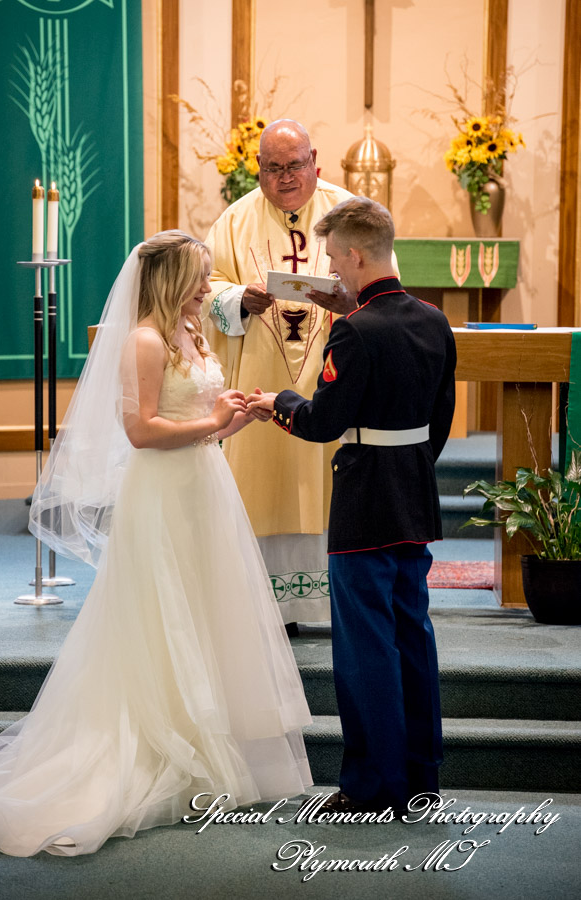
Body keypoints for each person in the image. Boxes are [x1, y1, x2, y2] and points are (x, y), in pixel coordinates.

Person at [0, 231, 312, 857]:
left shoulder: (191, 333)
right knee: (163, 616)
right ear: (165, 282)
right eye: (198, 277)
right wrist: (212, 421)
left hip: (203, 486)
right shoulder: (145, 340)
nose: (207, 288)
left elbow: (198, 425)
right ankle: (161, 739)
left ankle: (206, 727)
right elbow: (140, 430)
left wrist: (234, 418)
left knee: (205, 608)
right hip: (160, 495)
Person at [248, 197, 456, 813]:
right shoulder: (431, 320)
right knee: (412, 638)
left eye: (335, 258)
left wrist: (279, 401)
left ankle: (373, 786)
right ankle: (420, 777)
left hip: (365, 507)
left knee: (365, 651)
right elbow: (439, 421)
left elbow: (321, 423)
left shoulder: (354, 331)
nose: (331, 271)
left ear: (357, 254)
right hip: (415, 500)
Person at [204, 119, 354, 626]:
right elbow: (206, 291)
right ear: (259, 169)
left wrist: (345, 299)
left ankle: (326, 609)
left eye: (294, 165)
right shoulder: (232, 221)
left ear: (316, 161)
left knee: (323, 484)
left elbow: (381, 279)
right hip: (256, 385)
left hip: (330, 377)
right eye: (272, 168)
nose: (285, 178)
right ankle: (263, 611)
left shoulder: (349, 214)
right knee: (259, 484)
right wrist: (237, 299)